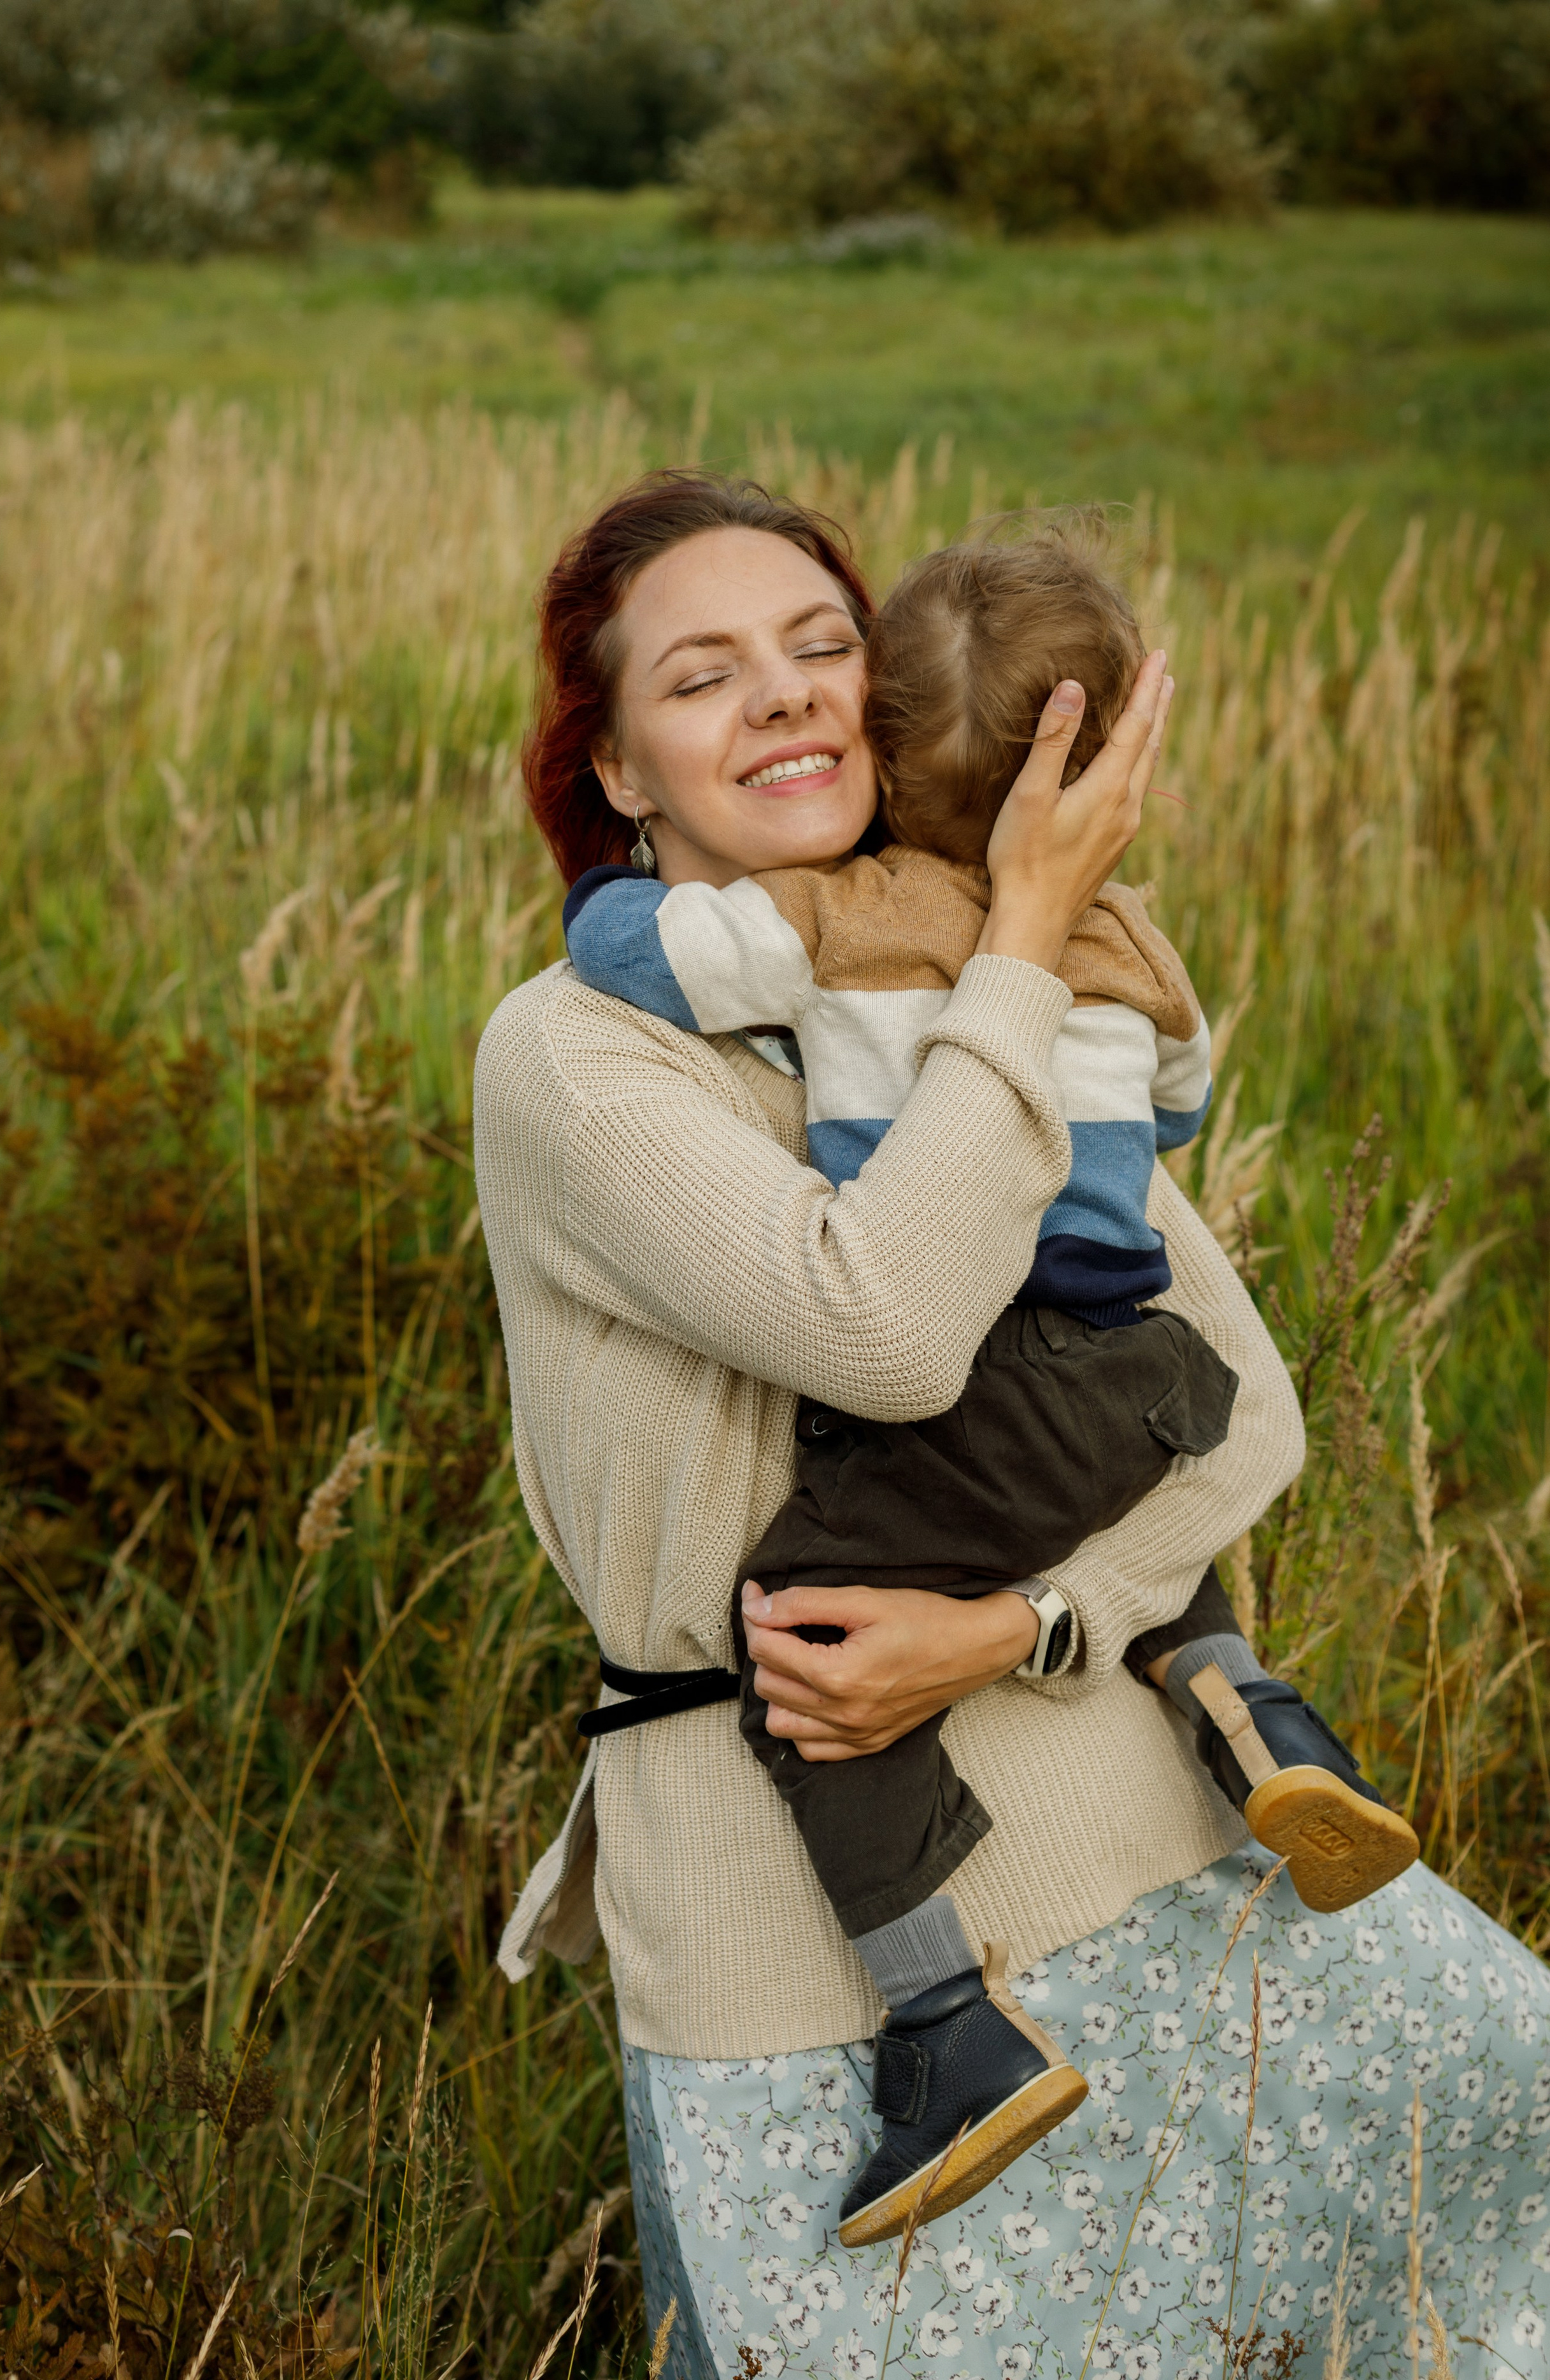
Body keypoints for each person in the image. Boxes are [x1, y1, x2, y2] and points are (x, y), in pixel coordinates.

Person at [476, 473, 1550, 2379]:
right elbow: (878, 1321)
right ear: (618, 768)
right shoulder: (577, 1049)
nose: (789, 699)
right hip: (797, 1934)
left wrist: (1022, 1625)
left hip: (1136, 1831)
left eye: (825, 650)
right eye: (706, 676)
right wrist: (1028, 947)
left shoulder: (997, 963)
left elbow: (1238, 1415)